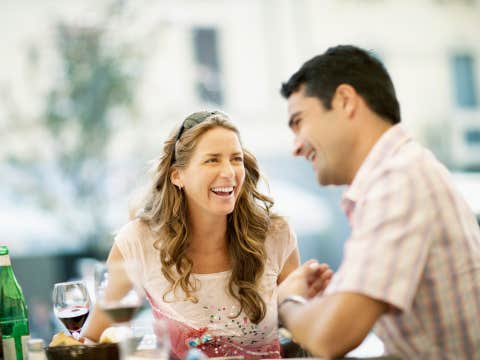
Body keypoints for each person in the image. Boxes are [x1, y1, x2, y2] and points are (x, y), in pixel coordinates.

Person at [276, 45, 480, 359]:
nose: (296, 147)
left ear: (345, 101)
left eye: (299, 121)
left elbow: (330, 337)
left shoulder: (399, 180)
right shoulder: (400, 173)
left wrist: (287, 303)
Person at [81, 110, 333, 359]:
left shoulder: (275, 235)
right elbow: (92, 341)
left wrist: (312, 303)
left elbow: (302, 333)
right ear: (178, 176)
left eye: (236, 159)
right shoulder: (137, 241)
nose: (229, 172)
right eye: (212, 160)